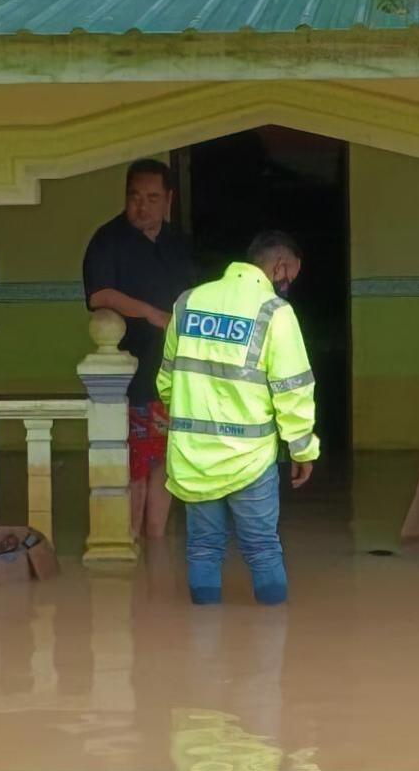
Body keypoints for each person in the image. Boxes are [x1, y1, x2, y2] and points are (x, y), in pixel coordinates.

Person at [157, 231, 319, 606]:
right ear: (279, 266)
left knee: (201, 549)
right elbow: (293, 389)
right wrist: (302, 449)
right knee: (262, 548)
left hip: (194, 455)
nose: (290, 283)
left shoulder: (188, 302)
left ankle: (204, 653)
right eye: (291, 273)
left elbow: (167, 381)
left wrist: (194, 412)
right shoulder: (274, 312)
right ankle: (271, 648)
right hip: (251, 456)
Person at [83, 159, 195, 538]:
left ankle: (157, 545)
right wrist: (150, 314)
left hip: (174, 374)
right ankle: (128, 542)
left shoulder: (179, 245)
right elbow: (100, 294)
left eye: (152, 198)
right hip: (129, 377)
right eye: (135, 198)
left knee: (165, 462)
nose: (142, 207)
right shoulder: (108, 240)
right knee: (133, 467)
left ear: (168, 200)